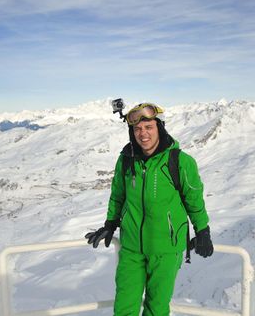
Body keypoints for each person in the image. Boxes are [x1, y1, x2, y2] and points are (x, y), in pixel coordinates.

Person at [85, 102, 213, 316]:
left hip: (166, 250)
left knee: (157, 308)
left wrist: (203, 230)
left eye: (148, 127)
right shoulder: (126, 160)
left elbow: (194, 200)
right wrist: (110, 224)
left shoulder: (180, 162)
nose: (142, 133)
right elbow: (118, 196)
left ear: (160, 128)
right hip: (132, 248)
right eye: (137, 129)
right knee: (124, 307)